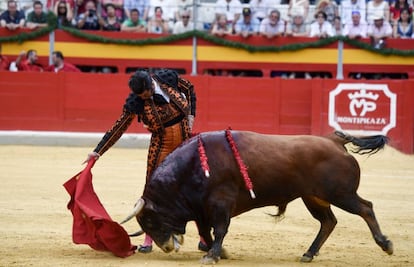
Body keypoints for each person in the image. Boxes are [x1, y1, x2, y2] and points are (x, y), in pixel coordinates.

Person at [83, 69, 197, 253]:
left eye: (146, 94)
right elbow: (118, 128)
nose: (145, 98)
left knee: (195, 186)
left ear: (151, 84)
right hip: (163, 146)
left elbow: (190, 89)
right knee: (152, 191)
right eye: (141, 96)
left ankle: (204, 238)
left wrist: (191, 115)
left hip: (186, 142)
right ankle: (148, 238)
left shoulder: (167, 79)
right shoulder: (136, 102)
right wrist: (98, 151)